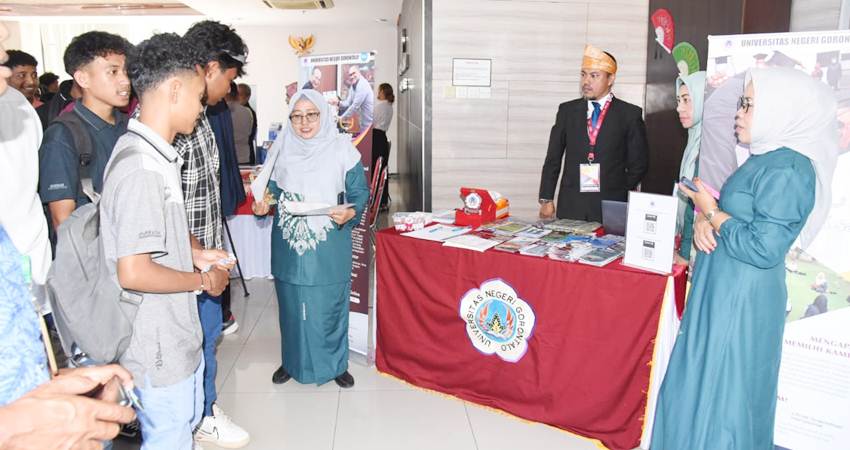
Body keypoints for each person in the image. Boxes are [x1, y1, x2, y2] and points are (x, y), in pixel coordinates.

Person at [652, 67, 840, 450]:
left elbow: (764, 247)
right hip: (724, 285)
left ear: (781, 110)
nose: (738, 113)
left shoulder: (790, 168)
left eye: (749, 105)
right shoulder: (763, 157)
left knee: (726, 395)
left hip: (743, 295)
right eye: (741, 103)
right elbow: (740, 217)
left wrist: (712, 212)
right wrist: (709, 219)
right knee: (705, 383)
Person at [103, 32, 233, 450]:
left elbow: (157, 236)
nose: (201, 107)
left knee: (184, 424)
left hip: (175, 333)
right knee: (170, 436)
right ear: (174, 90)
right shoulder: (142, 167)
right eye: (198, 96)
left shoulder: (157, 155)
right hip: (156, 343)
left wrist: (194, 253)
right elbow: (134, 270)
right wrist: (203, 282)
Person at [252, 89, 369, 389]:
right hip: (290, 244)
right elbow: (273, 192)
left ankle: (336, 364)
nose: (304, 123)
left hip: (328, 244)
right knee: (291, 307)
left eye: (311, 115)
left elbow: (359, 194)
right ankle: (292, 362)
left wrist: (351, 213)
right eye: (297, 116)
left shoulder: (342, 148)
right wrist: (264, 203)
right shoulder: (282, 149)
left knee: (330, 305)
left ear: (323, 114)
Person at [173, 20, 250, 448]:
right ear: (210, 68)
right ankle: (199, 415)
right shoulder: (179, 120)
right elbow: (166, 201)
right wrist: (199, 255)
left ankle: (203, 407)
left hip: (204, 253)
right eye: (229, 79)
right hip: (184, 262)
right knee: (194, 342)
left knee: (207, 337)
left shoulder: (203, 117)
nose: (229, 89)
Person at [538, 44, 648, 222]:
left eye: (594, 75)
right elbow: (553, 158)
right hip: (572, 204)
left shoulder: (629, 114)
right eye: (583, 74)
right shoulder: (567, 111)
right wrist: (546, 198)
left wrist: (617, 189)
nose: (586, 81)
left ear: (610, 78)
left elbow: (639, 163)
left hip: (610, 206)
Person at [38, 31, 132, 231]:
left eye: (126, 71)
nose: (125, 81)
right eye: (113, 72)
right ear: (82, 78)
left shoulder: (131, 127)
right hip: (94, 256)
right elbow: (63, 222)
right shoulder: (63, 136)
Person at [0, 24, 51, 286]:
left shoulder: (18, 104)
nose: (31, 82)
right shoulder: (20, 105)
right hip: (26, 235)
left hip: (19, 237)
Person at [674, 71, 706, 267]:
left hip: (697, 249)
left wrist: (685, 253)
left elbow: (695, 206)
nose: (679, 108)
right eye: (678, 100)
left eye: (687, 100)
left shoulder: (708, 145)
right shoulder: (694, 139)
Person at [372, 82, 394, 208]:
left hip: (376, 138)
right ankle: (382, 201)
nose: (377, 93)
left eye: (379, 91)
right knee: (381, 170)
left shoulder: (380, 107)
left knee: (376, 170)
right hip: (382, 138)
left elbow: (370, 122)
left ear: (384, 92)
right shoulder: (389, 106)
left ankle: (376, 201)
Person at [337, 65, 374, 130]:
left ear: (359, 73)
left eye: (354, 73)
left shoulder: (362, 85)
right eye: (350, 75)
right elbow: (348, 103)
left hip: (370, 125)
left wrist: (341, 118)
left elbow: (354, 106)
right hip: (363, 124)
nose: (352, 76)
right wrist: (338, 103)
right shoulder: (353, 86)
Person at [228, 82, 254, 165]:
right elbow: (250, 132)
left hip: (227, 157)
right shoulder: (248, 112)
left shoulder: (222, 111)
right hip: (244, 157)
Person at [237, 82, 257, 165]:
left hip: (244, 157)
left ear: (247, 97)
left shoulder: (247, 112)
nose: (236, 97)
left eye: (240, 95)